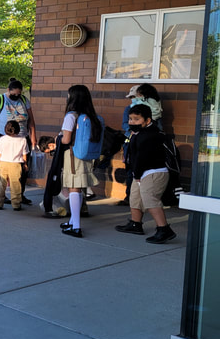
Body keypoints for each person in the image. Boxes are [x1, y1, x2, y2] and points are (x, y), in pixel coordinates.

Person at [115, 103, 176, 244]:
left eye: (136, 119)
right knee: (135, 198)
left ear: (147, 120)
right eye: (130, 119)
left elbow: (142, 158)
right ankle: (135, 224)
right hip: (141, 172)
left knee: (150, 200)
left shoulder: (150, 135)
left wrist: (136, 175)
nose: (132, 122)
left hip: (153, 172)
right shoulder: (139, 133)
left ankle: (164, 229)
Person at [58, 85, 102, 239]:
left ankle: (75, 225)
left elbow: (66, 139)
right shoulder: (90, 116)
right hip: (86, 155)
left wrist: (60, 137)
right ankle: (72, 221)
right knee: (79, 188)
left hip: (72, 155)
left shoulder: (71, 116)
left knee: (74, 188)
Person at [0, 79, 37, 205]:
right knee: (2, 170)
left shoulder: (24, 100)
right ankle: (1, 196)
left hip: (22, 139)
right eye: (14, 94)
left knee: (22, 169)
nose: (16, 96)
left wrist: (33, 137)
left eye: (18, 94)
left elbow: (31, 120)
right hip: (4, 138)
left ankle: (19, 195)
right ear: (8, 90)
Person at [0, 120, 29, 211]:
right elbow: (24, 154)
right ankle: (16, 204)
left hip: (4, 162)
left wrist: (0, 163)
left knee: (1, 184)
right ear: (18, 129)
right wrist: (25, 164)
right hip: (16, 164)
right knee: (16, 184)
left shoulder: (2, 139)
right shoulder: (23, 139)